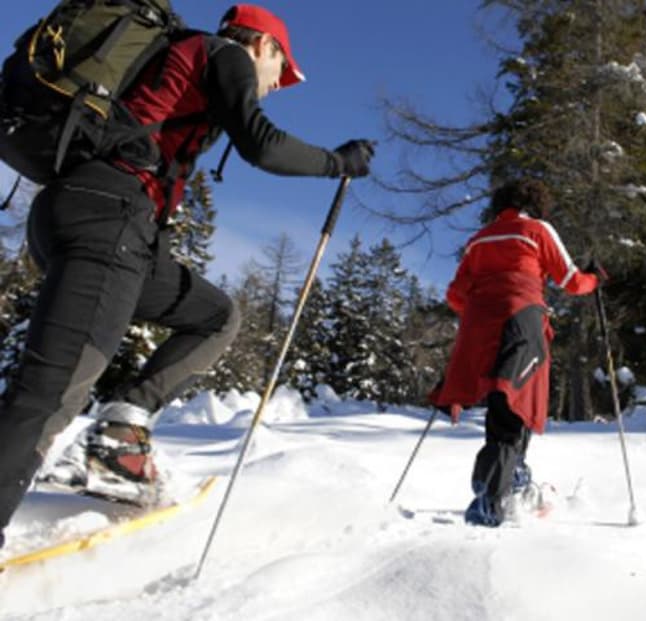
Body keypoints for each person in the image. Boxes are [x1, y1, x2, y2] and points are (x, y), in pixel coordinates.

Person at [0, 4, 375, 547]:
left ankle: (119, 439)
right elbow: (261, 144)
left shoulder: (181, 60)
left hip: (103, 222)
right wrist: (337, 163)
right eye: (282, 70)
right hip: (108, 219)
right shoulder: (225, 55)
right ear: (263, 45)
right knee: (49, 393)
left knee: (215, 316)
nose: (277, 84)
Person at [430, 178, 598, 527]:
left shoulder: (478, 240)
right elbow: (570, 280)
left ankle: (514, 477)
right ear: (535, 205)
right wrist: (594, 280)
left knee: (503, 397)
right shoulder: (536, 229)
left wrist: (482, 310)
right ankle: (490, 497)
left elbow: (455, 295)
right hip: (521, 319)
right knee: (513, 400)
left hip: (479, 326)